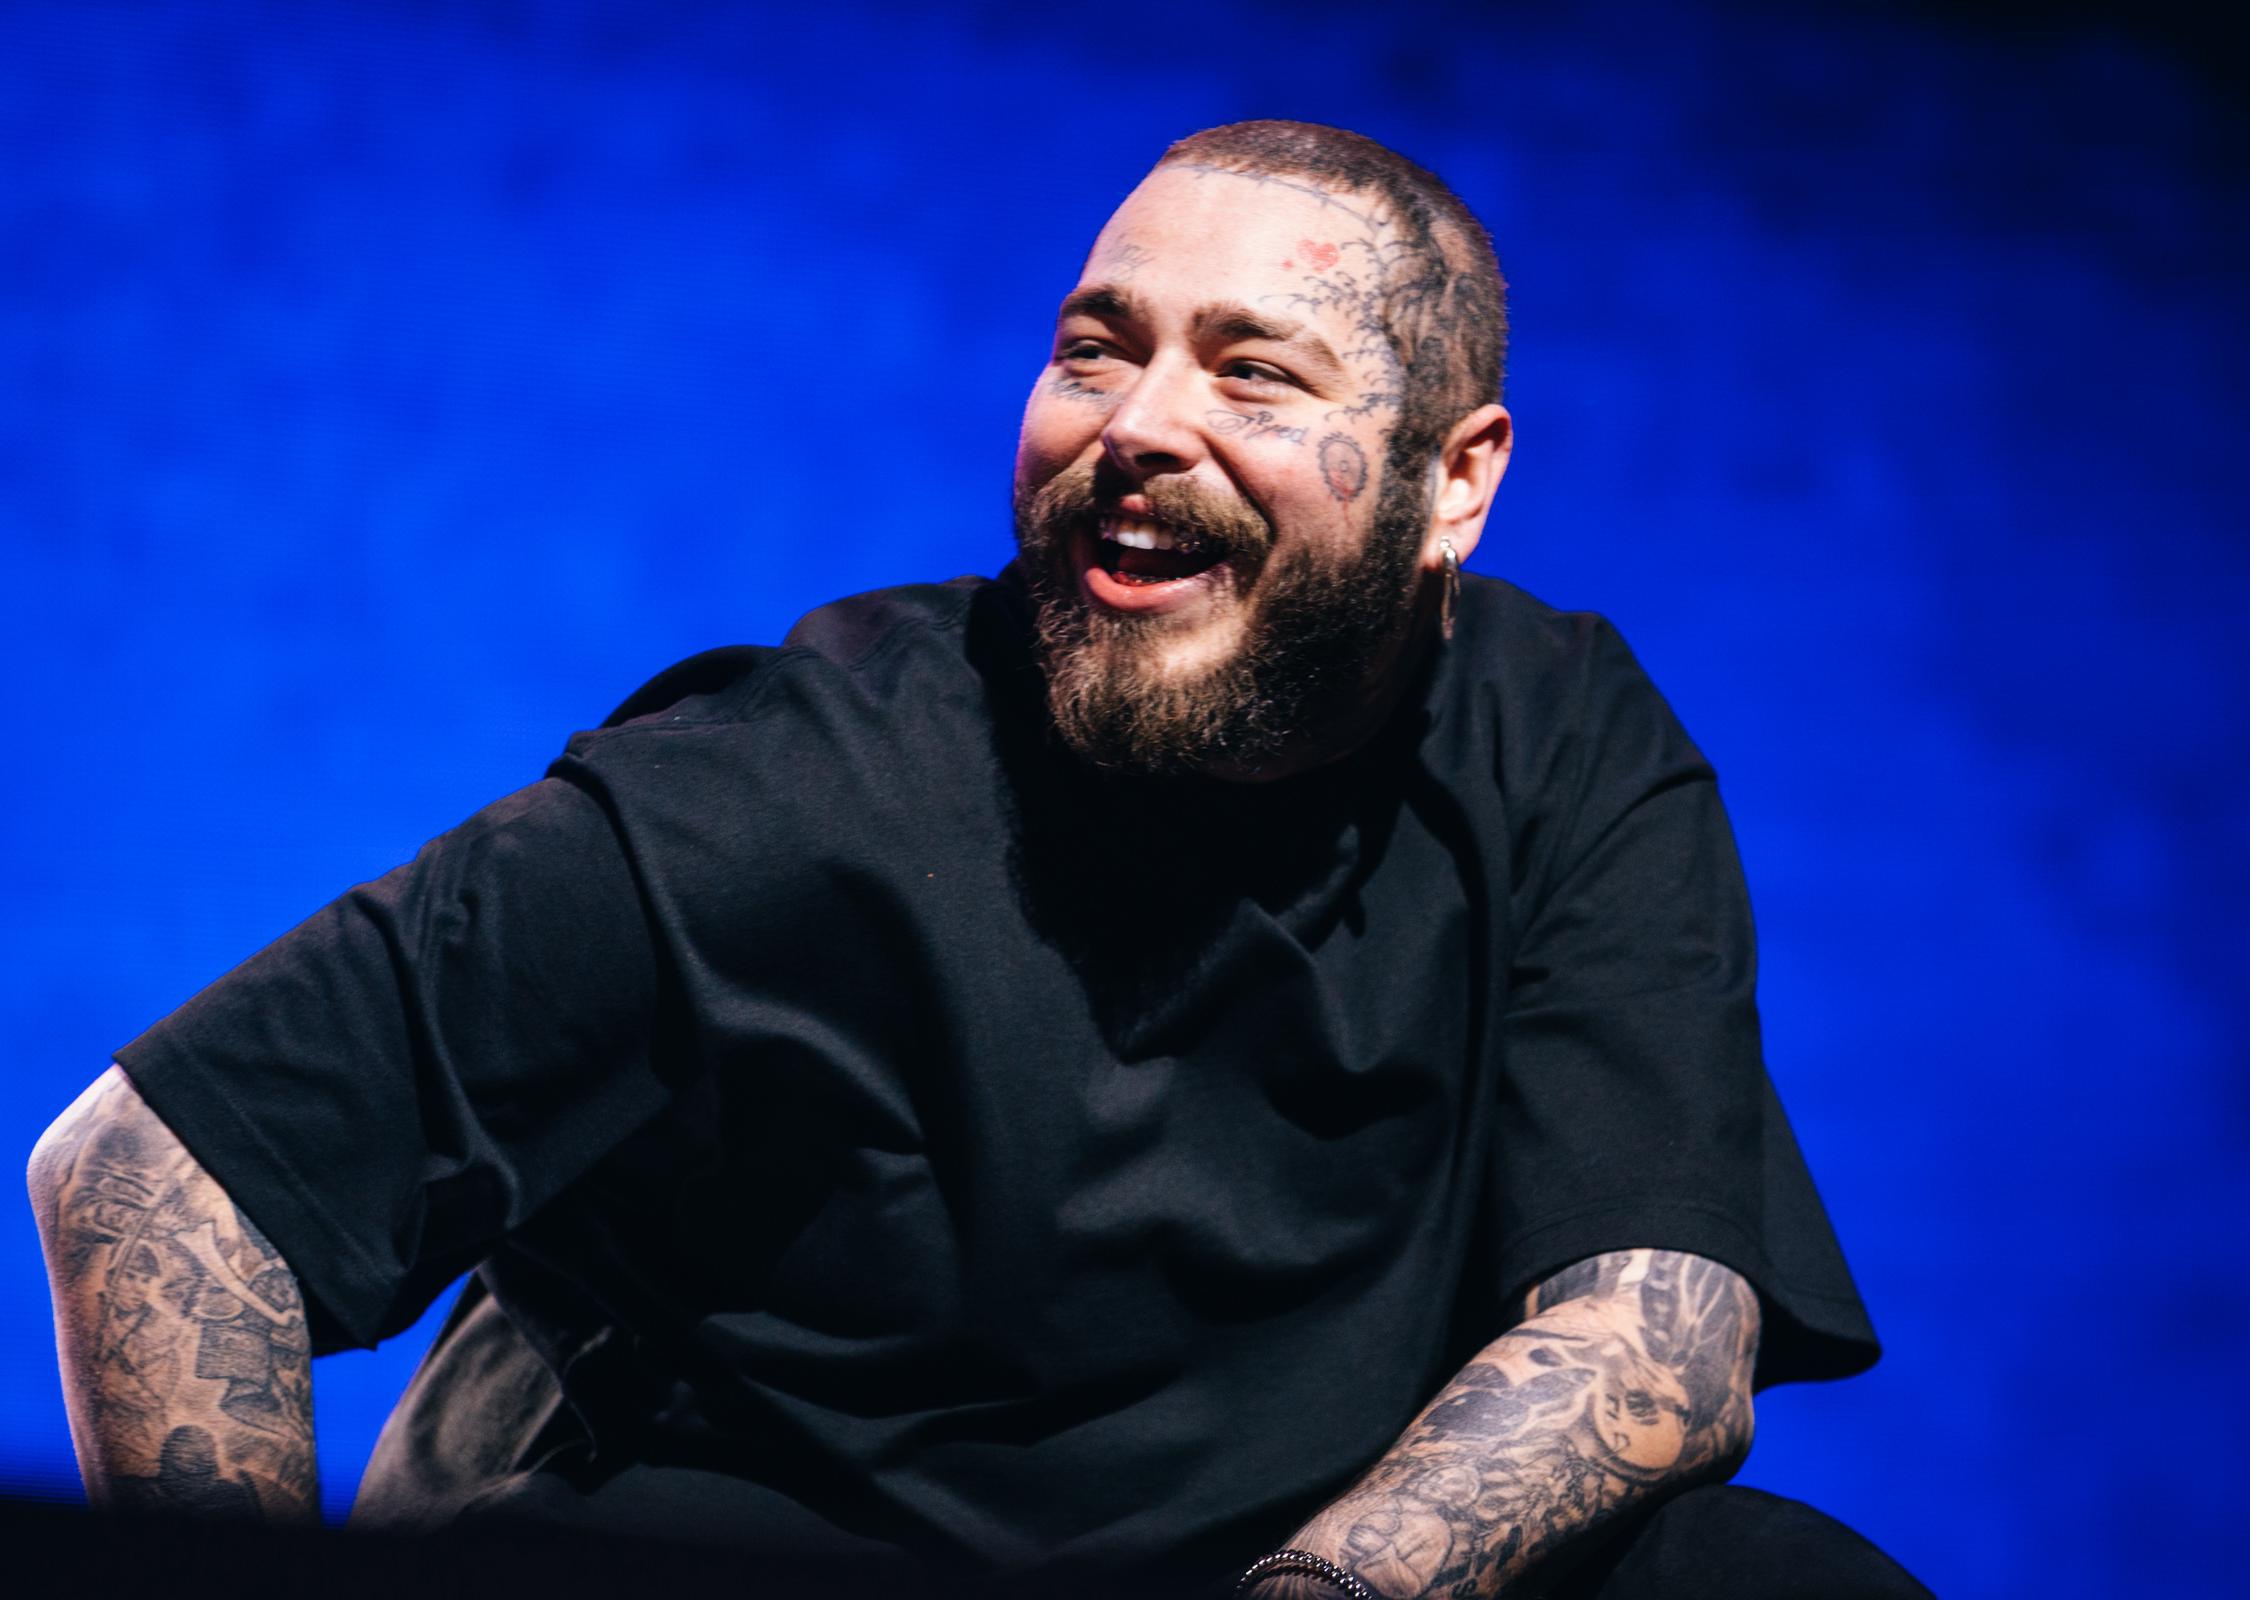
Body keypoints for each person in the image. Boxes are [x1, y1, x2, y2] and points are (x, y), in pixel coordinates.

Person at [29, 121, 1925, 1598]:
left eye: (1252, 375)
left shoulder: (1559, 735)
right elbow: (158, 1172)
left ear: (1456, 481)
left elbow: (1657, 1329)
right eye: (1095, 352)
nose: (1137, 425)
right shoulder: (800, 779)